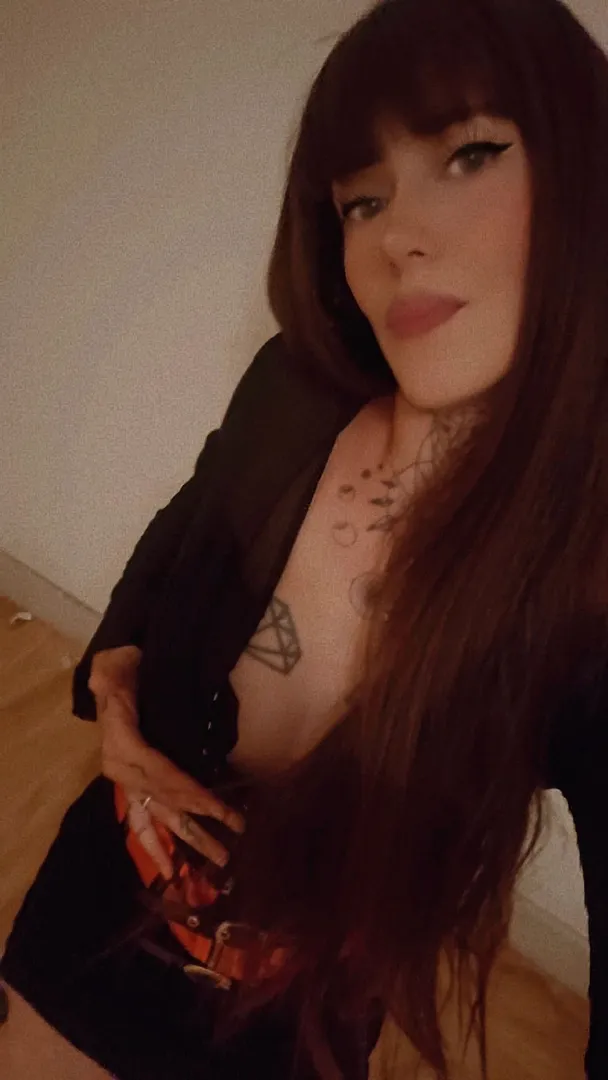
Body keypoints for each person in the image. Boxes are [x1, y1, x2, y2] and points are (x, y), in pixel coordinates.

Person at [2, 0, 608, 1077]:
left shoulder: (586, 585)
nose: (394, 236)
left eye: (469, 154)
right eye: (361, 199)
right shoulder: (295, 388)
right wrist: (112, 667)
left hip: (289, 1026)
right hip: (93, 902)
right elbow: (188, 518)